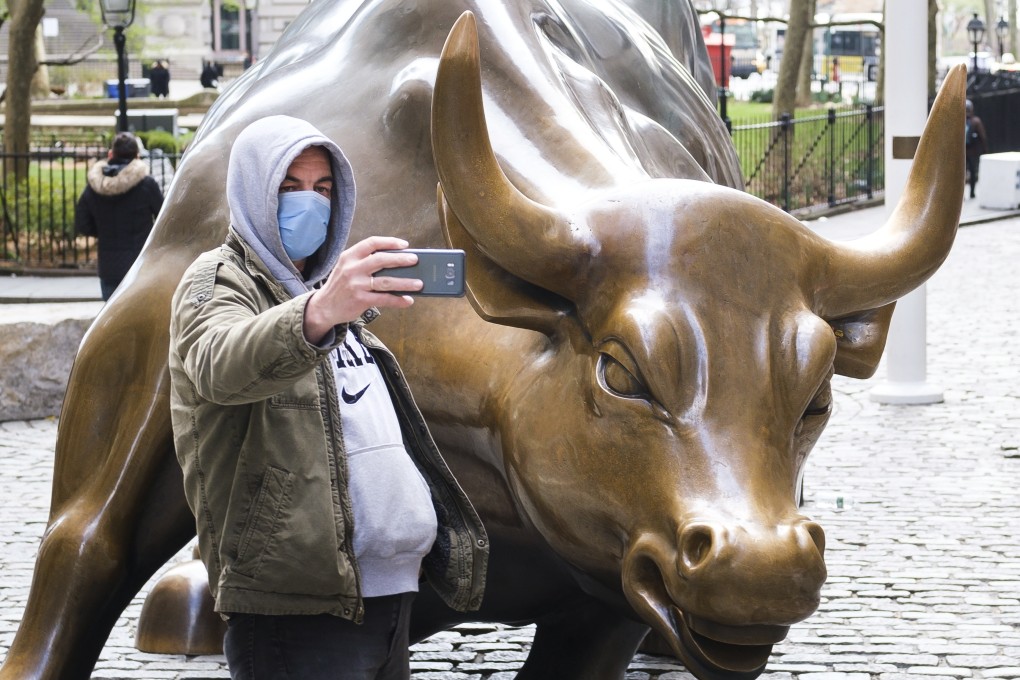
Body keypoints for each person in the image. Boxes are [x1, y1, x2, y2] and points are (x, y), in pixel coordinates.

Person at [167, 115, 488, 680]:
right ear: (253, 192)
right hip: (297, 607)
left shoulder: (326, 295)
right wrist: (318, 313)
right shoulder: (217, 281)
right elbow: (220, 364)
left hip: (386, 598)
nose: (308, 204)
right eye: (289, 187)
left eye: (322, 189)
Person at [74, 131, 164, 300]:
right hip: (139, 264)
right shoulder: (146, 185)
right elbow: (163, 218)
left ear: (110, 154)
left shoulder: (94, 187)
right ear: (137, 156)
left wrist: (102, 230)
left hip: (108, 266)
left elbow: (82, 223)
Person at [965, 99, 988, 199]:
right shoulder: (976, 121)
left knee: (961, 174)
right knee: (973, 172)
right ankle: (972, 193)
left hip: (962, 153)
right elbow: (982, 137)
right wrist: (985, 150)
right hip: (973, 151)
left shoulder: (958, 121)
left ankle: (962, 195)